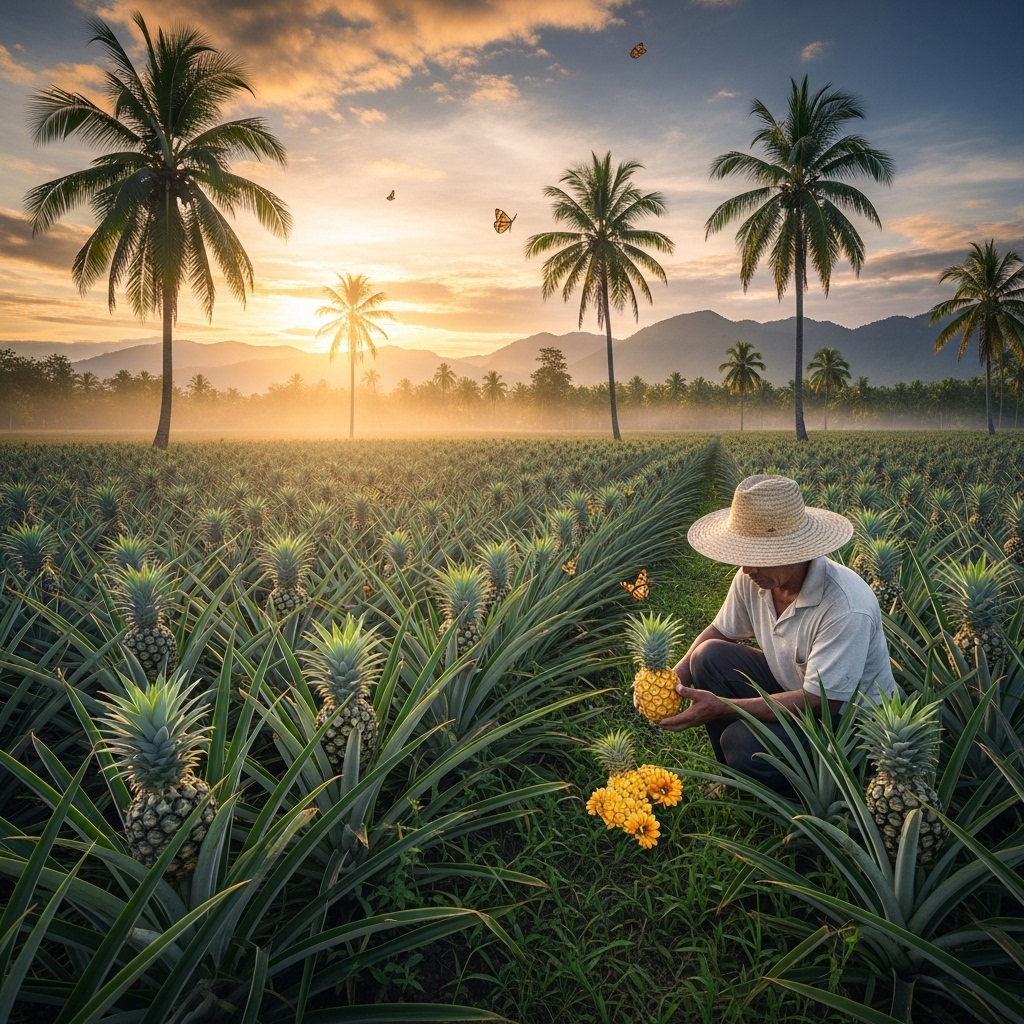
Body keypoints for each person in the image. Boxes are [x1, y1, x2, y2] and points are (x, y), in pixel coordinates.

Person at [658, 474, 897, 795]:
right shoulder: (755, 578)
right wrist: (673, 677)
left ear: (796, 550)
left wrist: (723, 706)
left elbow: (819, 701)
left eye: (758, 556)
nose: (746, 569)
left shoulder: (845, 605)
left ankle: (814, 798)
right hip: (796, 689)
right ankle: (735, 782)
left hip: (849, 726)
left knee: (741, 744)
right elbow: (720, 630)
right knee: (708, 656)